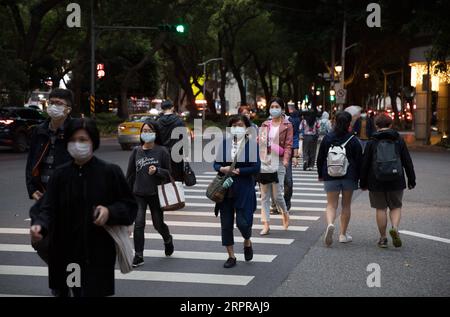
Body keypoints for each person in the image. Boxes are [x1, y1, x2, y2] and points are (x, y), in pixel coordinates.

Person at [29, 118, 137, 297]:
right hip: (64, 251)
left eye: (83, 140)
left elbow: (129, 206)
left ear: (93, 142)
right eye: (72, 140)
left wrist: (109, 211)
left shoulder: (110, 172)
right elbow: (46, 208)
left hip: (97, 252)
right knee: (68, 292)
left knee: (91, 292)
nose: (77, 144)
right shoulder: (60, 174)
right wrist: (40, 225)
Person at [26, 88, 74, 263]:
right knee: (39, 241)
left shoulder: (76, 131)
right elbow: (31, 163)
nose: (53, 106)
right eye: (51, 102)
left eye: (58, 103)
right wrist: (32, 189)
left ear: (68, 109)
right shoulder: (40, 130)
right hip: (44, 195)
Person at [360, 114, 416, 248]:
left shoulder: (372, 141)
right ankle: (395, 228)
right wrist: (411, 179)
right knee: (395, 206)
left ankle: (383, 238)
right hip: (396, 179)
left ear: (376, 125)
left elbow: (365, 164)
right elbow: (407, 161)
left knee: (381, 208)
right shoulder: (398, 140)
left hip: (376, 180)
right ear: (390, 125)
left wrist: (363, 183)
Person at [213, 115, 260, 268]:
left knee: (243, 223)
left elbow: (256, 167)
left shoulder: (251, 145)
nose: (236, 128)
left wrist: (240, 170)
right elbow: (216, 164)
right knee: (226, 224)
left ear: (246, 128)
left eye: (239, 125)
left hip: (244, 188)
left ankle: (247, 241)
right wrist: (222, 168)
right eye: (233, 125)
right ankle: (231, 256)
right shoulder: (225, 144)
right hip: (225, 189)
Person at [126, 121, 174, 267]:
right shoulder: (136, 151)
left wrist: (157, 171)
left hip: (156, 194)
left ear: (155, 133)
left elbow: (169, 172)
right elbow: (130, 174)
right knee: (139, 224)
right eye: (144, 130)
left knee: (158, 224)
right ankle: (139, 255)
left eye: (149, 130)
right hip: (138, 193)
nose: (146, 133)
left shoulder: (162, 151)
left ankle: (167, 239)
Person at [316, 111, 362, 246]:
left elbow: (320, 158)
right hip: (349, 176)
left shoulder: (328, 138)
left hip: (330, 175)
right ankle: (343, 234)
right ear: (349, 123)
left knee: (331, 204)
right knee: (346, 205)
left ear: (335, 121)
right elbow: (360, 160)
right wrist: (359, 177)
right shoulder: (353, 140)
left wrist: (320, 174)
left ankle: (330, 224)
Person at [258, 98, 293, 235]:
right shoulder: (265, 124)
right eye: (272, 106)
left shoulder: (287, 125)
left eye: (276, 106)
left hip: (278, 161)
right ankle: (266, 224)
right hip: (265, 160)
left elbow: (289, 145)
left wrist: (285, 160)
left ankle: (285, 212)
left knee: (277, 195)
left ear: (282, 109)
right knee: (264, 195)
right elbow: (260, 143)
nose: (274, 109)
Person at [156, 100, 186, 182]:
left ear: (162, 108)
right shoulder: (179, 121)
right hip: (176, 154)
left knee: (164, 178)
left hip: (162, 153)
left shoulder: (158, 122)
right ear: (172, 108)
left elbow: (156, 139)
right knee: (177, 179)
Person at [283, 102, 300, 211]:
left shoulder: (290, 121)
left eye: (277, 107)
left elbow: (295, 136)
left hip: (287, 154)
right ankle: (276, 203)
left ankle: (286, 200)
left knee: (288, 181)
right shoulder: (268, 122)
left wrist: (295, 155)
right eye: (273, 107)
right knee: (272, 182)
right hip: (272, 156)